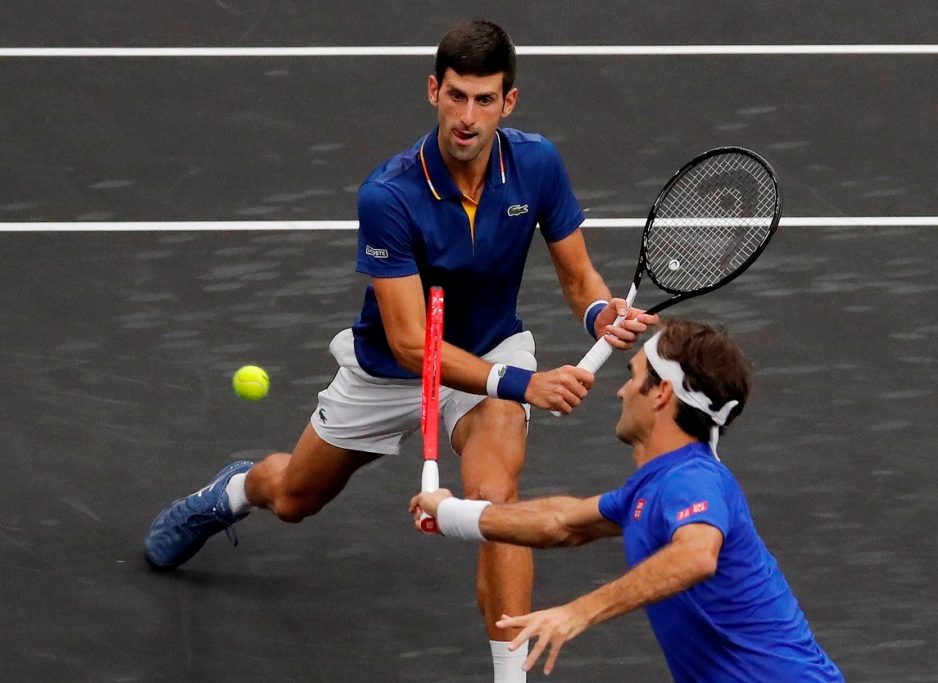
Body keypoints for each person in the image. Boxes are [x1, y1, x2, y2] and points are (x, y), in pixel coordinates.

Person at [142, 19, 656, 683]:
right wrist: (522, 383)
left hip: (491, 346)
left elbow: (578, 273)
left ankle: (511, 674)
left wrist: (599, 312)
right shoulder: (389, 195)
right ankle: (235, 489)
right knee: (296, 497)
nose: (467, 117)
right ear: (433, 91)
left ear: (509, 103)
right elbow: (415, 343)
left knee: (495, 493)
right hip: (393, 365)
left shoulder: (537, 165)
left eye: (483, 99)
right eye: (456, 96)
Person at [410, 319, 845, 682]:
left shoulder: (691, 480)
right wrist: (448, 512)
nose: (621, 392)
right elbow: (560, 522)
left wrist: (579, 612)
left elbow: (696, 557)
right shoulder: (656, 484)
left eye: (633, 377)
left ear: (661, 394)